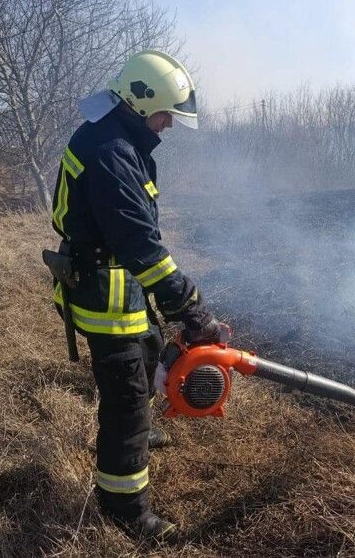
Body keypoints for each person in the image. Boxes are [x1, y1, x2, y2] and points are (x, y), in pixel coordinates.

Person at [49, 50, 226, 541]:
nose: (168, 126)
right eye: (167, 114)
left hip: (115, 280)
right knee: (126, 396)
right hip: (104, 290)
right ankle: (126, 510)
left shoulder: (118, 136)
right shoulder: (110, 152)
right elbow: (140, 244)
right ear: (142, 104)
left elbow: (135, 240)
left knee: (148, 352)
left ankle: (140, 434)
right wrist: (190, 309)